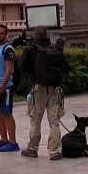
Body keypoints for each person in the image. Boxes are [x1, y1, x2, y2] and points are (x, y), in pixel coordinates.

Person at [19, 26, 69, 160]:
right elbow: (65, 68)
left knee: (35, 119)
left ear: (35, 35)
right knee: (54, 121)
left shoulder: (30, 48)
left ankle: (32, 148)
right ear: (47, 35)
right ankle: (55, 151)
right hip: (55, 88)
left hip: (38, 88)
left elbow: (22, 67)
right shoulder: (54, 49)